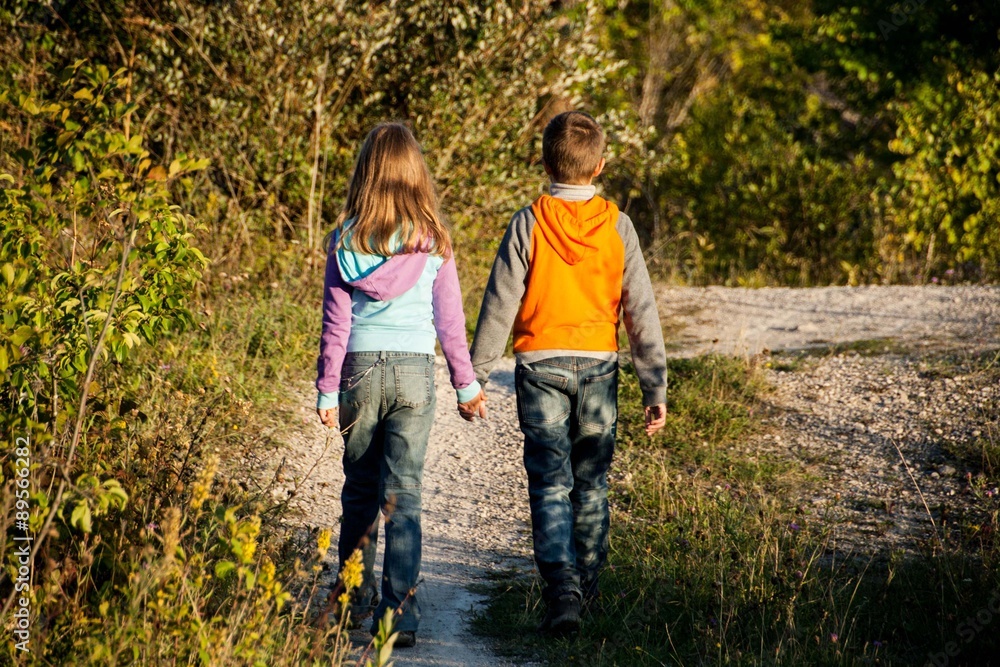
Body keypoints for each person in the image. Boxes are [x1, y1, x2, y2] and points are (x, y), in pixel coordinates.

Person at [467, 110, 667, 635]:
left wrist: (476, 375)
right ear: (600, 165)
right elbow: (640, 308)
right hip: (600, 368)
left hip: (539, 368)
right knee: (592, 486)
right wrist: (654, 384)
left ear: (542, 162)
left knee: (550, 485)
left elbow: (500, 302)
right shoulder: (618, 225)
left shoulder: (528, 222)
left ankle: (562, 591)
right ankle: (590, 589)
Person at [316, 122, 487, 648]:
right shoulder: (432, 241)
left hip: (359, 371)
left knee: (361, 491)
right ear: (417, 175)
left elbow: (335, 323)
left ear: (366, 173)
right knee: (403, 495)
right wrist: (466, 384)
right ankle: (399, 616)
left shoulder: (346, 239)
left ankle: (350, 604)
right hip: (414, 372)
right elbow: (450, 323)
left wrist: (326, 388)